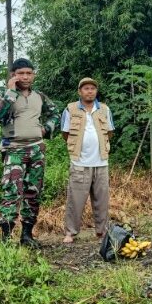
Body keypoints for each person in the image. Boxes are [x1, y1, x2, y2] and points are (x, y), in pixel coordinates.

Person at [0, 58, 60, 248]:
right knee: (11, 192)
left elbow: (55, 113)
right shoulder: (1, 95)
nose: (25, 77)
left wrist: (46, 128)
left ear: (33, 75)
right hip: (14, 149)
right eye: (21, 73)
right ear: (13, 75)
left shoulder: (40, 96)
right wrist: (10, 92)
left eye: (29, 73)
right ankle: (5, 238)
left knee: (33, 192)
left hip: (36, 149)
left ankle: (27, 235)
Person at [61, 77, 115, 244]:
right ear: (80, 92)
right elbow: (65, 133)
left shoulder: (105, 109)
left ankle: (102, 232)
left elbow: (110, 132)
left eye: (92, 88)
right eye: (86, 88)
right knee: (75, 200)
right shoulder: (70, 109)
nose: (90, 91)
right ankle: (70, 232)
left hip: (101, 162)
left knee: (102, 200)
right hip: (80, 163)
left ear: (96, 91)